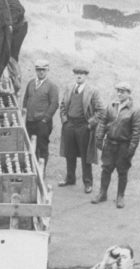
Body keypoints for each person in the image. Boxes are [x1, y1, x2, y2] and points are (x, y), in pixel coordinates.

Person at [92, 82, 140, 208]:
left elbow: (137, 131)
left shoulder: (135, 110)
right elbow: (103, 122)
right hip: (109, 144)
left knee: (122, 171)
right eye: (118, 91)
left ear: (129, 93)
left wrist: (131, 148)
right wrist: (99, 138)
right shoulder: (111, 106)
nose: (119, 93)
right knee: (106, 169)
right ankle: (102, 193)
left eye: (123, 91)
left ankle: (120, 197)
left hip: (124, 146)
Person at [58, 66, 105, 194]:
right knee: (69, 153)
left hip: (83, 127)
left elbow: (101, 111)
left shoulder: (92, 91)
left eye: (81, 74)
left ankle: (88, 183)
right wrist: (64, 120)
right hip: (69, 125)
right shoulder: (69, 88)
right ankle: (70, 179)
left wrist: (90, 125)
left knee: (86, 156)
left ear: (86, 76)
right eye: (77, 74)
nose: (79, 76)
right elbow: (62, 105)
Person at [22, 59, 59, 174]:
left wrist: (45, 119)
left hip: (42, 123)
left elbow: (54, 104)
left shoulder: (51, 86)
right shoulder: (31, 83)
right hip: (30, 121)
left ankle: (41, 172)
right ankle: (32, 170)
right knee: (31, 147)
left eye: (43, 70)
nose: (41, 72)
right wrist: (25, 114)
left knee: (42, 148)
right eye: (38, 70)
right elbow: (25, 99)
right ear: (36, 70)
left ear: (47, 70)